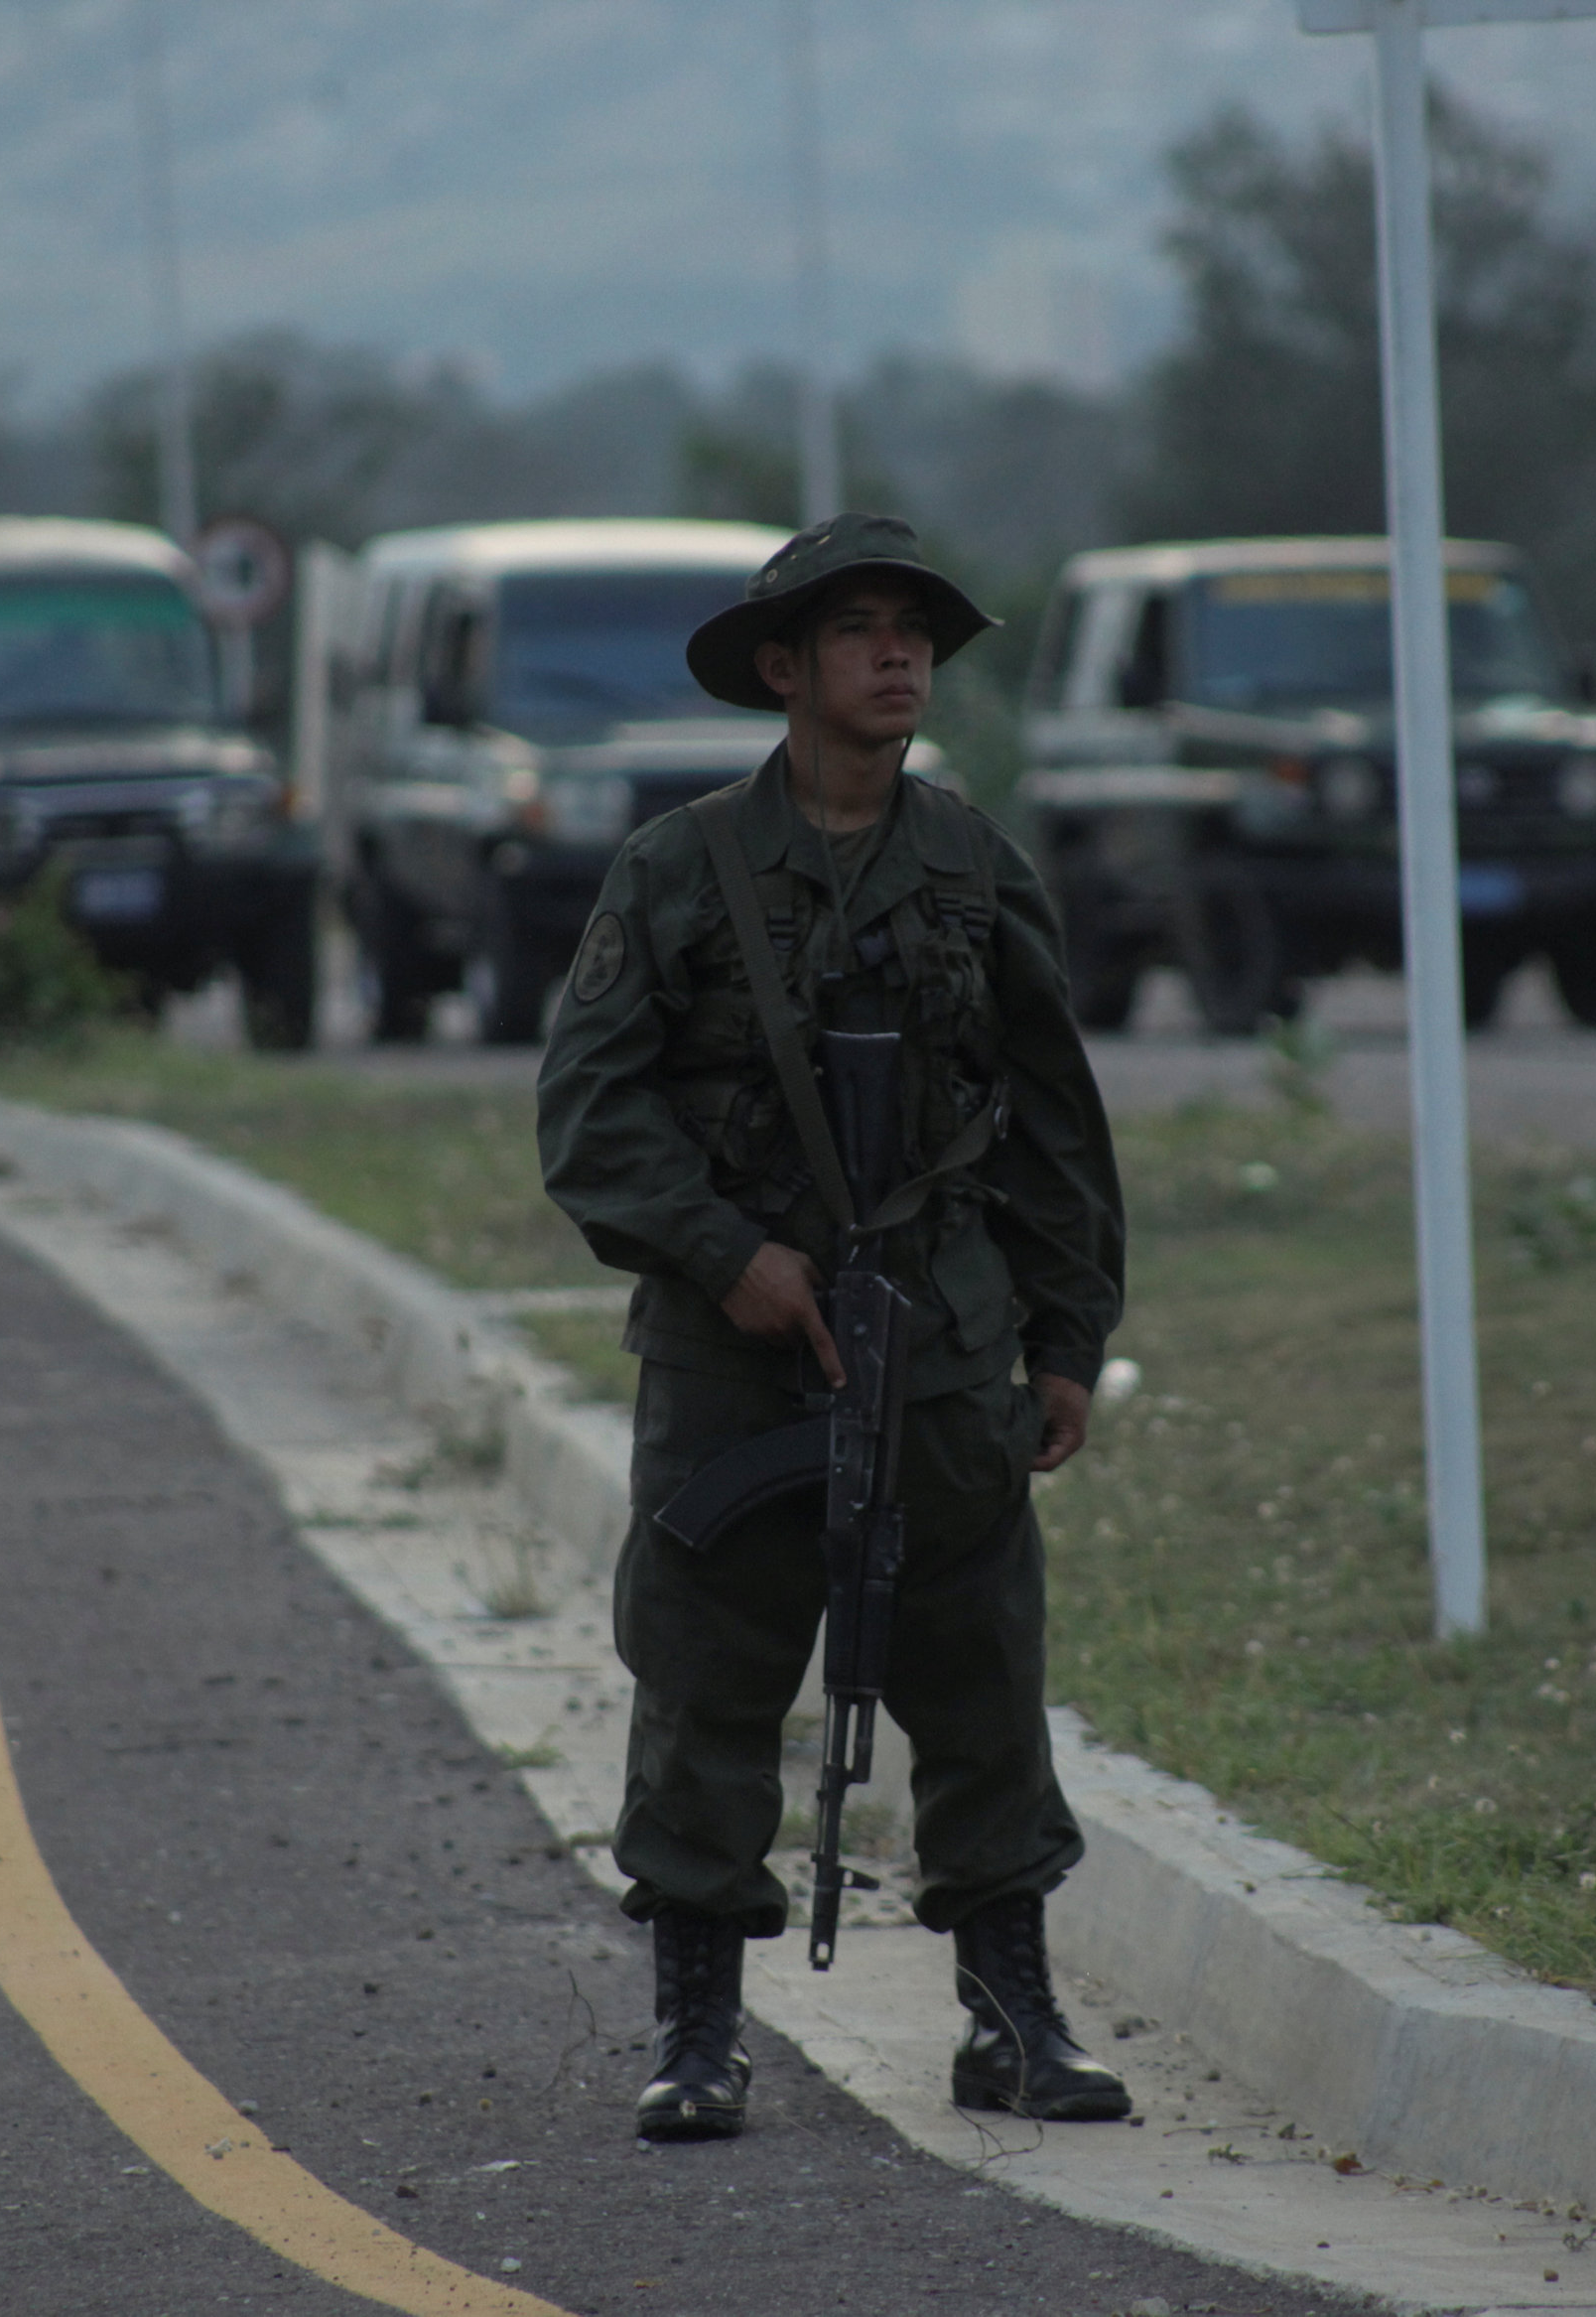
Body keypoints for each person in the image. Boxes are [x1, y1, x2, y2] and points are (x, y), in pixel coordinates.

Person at [536, 513, 1132, 2143]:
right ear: (783, 668)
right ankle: (698, 2030)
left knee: (981, 1671)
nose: (898, 654)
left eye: (916, 630)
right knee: (709, 1671)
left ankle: (1013, 2015)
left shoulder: (972, 862)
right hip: (739, 1353)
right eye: (860, 628)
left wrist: (1065, 1338)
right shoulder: (678, 869)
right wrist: (733, 1258)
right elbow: (589, 1112)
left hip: (939, 1338)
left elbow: (1054, 1123)